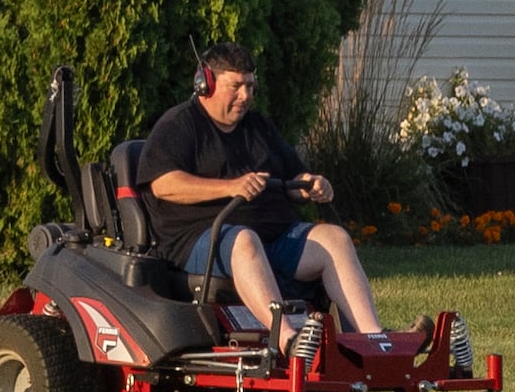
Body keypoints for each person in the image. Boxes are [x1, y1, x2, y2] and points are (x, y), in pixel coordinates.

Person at [136, 44, 390, 350]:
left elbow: (294, 177)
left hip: (273, 238)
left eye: (250, 87)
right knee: (244, 240)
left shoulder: (258, 127)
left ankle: (373, 342)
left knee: (333, 239)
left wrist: (311, 184)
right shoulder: (179, 125)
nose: (246, 96)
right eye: (236, 87)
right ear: (205, 83)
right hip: (200, 240)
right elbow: (164, 184)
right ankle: (288, 341)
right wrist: (230, 188)